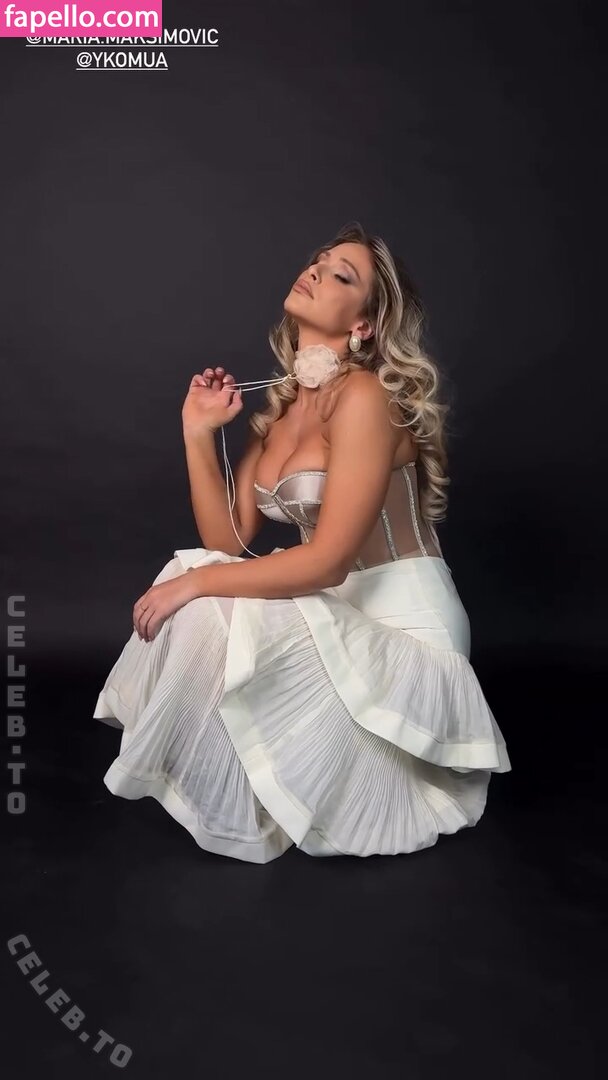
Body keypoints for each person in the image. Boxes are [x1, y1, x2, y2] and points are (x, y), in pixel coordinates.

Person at [93, 220, 511, 863]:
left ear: (364, 324)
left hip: (405, 630)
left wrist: (196, 583)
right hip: (336, 612)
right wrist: (197, 434)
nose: (315, 270)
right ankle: (218, 791)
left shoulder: (366, 396)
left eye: (340, 274)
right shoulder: (283, 408)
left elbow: (328, 561)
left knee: (198, 590)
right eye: (319, 261)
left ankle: (231, 800)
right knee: (200, 586)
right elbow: (227, 539)